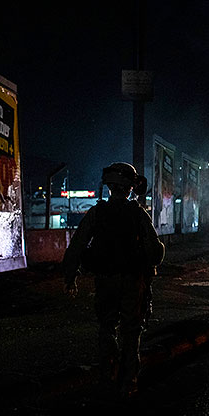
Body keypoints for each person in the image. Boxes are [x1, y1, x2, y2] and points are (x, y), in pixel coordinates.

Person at [62, 162, 165, 400]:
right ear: (130, 188)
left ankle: (107, 378)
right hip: (132, 281)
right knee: (131, 330)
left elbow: (77, 246)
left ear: (109, 186)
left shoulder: (97, 213)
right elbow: (155, 253)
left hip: (105, 281)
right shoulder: (138, 214)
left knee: (106, 327)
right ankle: (129, 382)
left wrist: (70, 276)